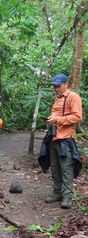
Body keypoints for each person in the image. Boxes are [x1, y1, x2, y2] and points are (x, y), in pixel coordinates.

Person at [45, 74, 82, 209]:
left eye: (58, 86)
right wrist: (52, 119)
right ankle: (57, 192)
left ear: (66, 84)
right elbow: (57, 115)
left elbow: (77, 117)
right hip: (54, 137)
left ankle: (67, 196)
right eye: (54, 86)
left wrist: (58, 120)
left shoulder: (73, 97)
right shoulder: (58, 98)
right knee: (54, 167)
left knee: (66, 168)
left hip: (66, 139)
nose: (56, 88)